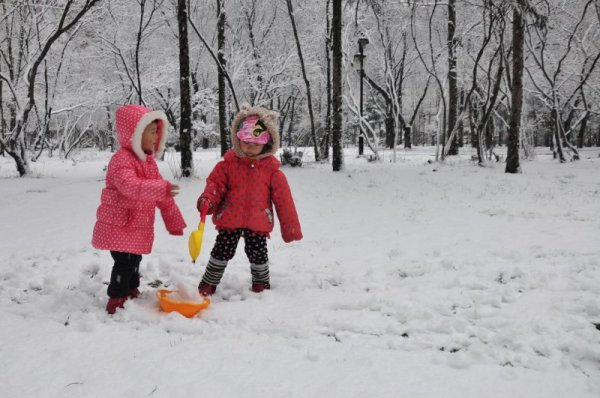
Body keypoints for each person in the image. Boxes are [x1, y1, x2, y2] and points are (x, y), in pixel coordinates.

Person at [196, 104, 302, 296]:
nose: (250, 146)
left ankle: (261, 283)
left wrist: (290, 228)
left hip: (258, 221)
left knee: (258, 254)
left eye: (256, 142)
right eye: (246, 141)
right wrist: (208, 200)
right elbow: (215, 185)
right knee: (221, 251)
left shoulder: (272, 171)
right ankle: (209, 282)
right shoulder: (227, 166)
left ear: (267, 143)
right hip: (230, 218)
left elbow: (284, 202)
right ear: (238, 139)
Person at [92, 104, 186, 314]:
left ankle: (131, 287)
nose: (156, 137)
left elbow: (163, 197)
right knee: (124, 262)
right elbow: (130, 186)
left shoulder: (148, 162)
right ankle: (116, 298)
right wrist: (160, 188)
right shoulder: (121, 160)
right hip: (120, 224)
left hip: (135, 225)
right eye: (151, 132)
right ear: (134, 134)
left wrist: (174, 222)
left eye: (157, 132)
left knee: (135, 258)